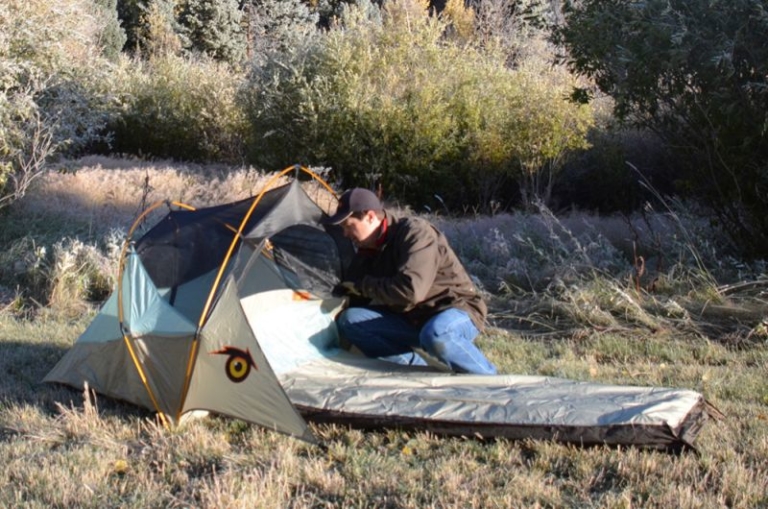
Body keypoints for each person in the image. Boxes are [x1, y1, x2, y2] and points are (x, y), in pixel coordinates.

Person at [324, 187, 497, 375]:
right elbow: (353, 291)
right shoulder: (367, 249)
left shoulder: (416, 233)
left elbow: (410, 292)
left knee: (437, 334)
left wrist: (364, 286)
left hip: (454, 310)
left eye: (349, 226)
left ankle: (493, 385)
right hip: (413, 319)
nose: (345, 234)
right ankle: (418, 375)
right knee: (350, 321)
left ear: (370, 217)